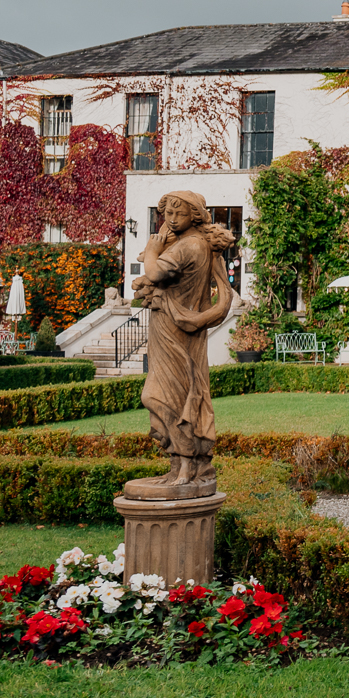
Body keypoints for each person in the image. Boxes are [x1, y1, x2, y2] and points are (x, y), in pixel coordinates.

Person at [130, 190, 236, 493]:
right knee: (181, 392)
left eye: (179, 213)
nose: (172, 219)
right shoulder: (201, 244)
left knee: (163, 396)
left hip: (175, 329)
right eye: (168, 214)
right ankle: (183, 464)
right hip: (173, 328)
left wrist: (153, 248)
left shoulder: (188, 246)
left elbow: (154, 271)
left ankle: (188, 463)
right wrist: (202, 319)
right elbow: (225, 295)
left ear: (195, 215)